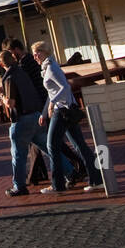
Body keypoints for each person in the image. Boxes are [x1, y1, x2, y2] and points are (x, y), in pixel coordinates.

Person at [32, 40, 104, 194]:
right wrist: (44, 113)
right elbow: (52, 93)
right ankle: (97, 179)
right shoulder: (48, 67)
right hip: (65, 110)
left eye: (36, 53)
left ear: (44, 52)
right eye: (34, 54)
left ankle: (58, 185)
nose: (35, 57)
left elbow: (65, 87)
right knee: (79, 145)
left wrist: (52, 104)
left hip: (62, 111)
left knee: (52, 146)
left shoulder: (51, 67)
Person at [0, 50, 73, 197]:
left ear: (1, 64)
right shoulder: (22, 72)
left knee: (18, 155)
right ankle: (70, 171)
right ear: (13, 58)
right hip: (36, 115)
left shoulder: (9, 77)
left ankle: (19, 186)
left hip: (21, 119)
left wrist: (0, 95)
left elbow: (11, 103)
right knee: (48, 147)